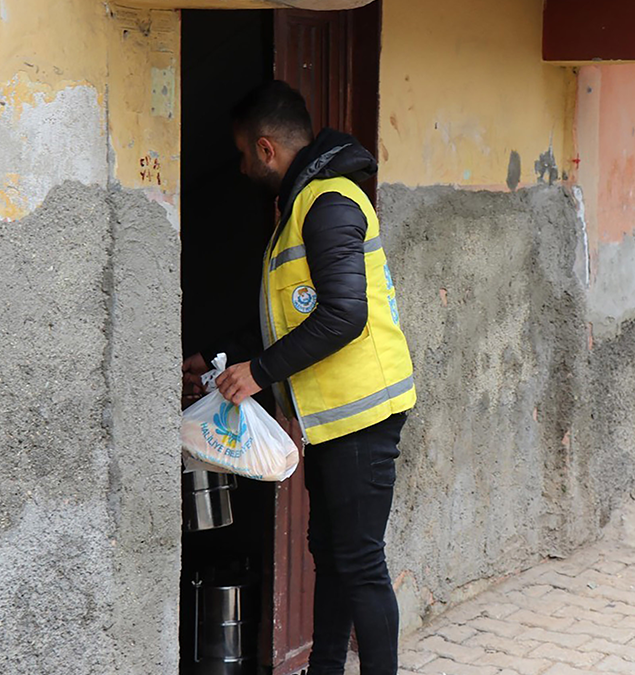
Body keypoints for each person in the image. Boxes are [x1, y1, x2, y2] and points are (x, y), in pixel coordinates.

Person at [181, 80, 416, 675]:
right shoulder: (300, 209)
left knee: (360, 563)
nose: (240, 167)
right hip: (335, 419)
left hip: (363, 414)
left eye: (242, 154)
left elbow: (344, 314)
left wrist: (257, 374)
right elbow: (288, 318)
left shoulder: (328, 202)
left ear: (265, 149)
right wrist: (222, 359)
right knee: (331, 555)